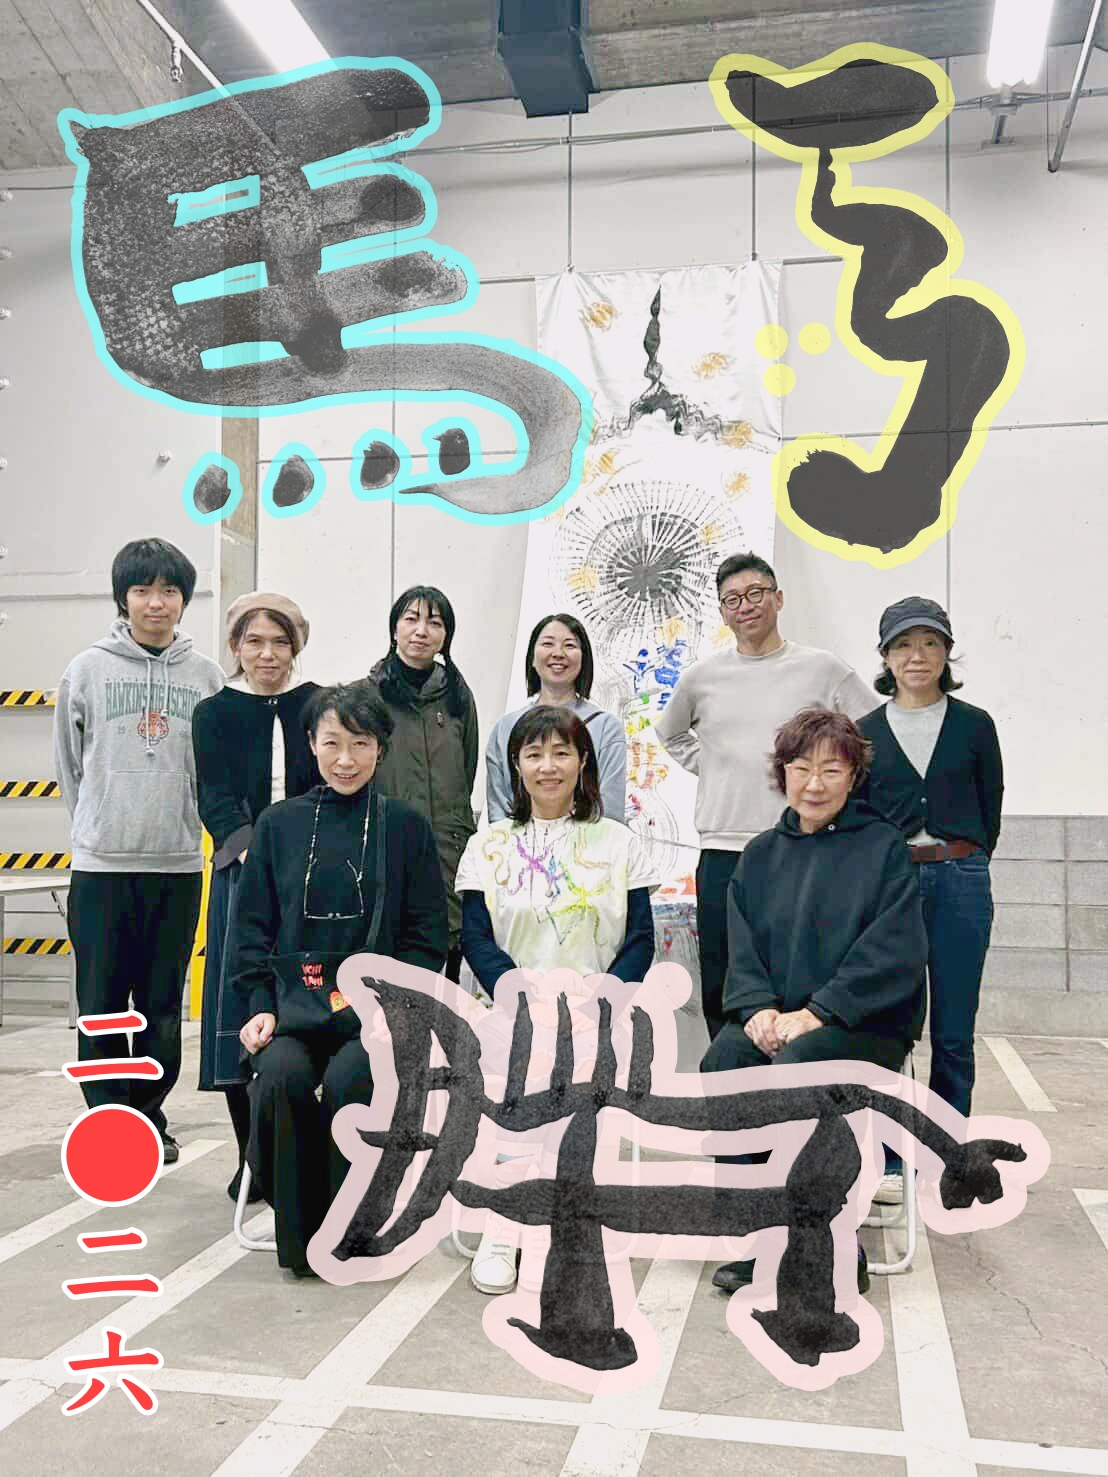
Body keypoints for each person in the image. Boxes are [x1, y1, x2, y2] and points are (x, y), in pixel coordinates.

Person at [225, 681, 449, 1276]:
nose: (345, 759)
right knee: (280, 1077)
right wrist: (258, 1005)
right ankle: (301, 1238)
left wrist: (396, 1010)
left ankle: (351, 1228)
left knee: (355, 1078)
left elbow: (427, 937)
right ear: (311, 745)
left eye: (360, 743)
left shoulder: (406, 828)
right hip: (293, 1012)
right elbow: (250, 931)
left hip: (376, 1017)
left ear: (381, 748)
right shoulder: (278, 825)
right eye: (332, 743)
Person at [701, 707, 927, 1295]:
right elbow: (741, 946)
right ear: (782, 774)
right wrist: (756, 1008)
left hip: (862, 1021)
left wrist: (819, 1012)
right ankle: (765, 1234)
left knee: (801, 1071)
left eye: (832, 769)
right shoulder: (760, 854)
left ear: (854, 776)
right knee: (725, 1063)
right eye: (801, 768)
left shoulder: (882, 848)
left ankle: (832, 1241)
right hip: (779, 1017)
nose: (815, 783)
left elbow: (892, 951)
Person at [458, 705, 657, 1295]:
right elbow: (476, 938)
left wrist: (601, 1002)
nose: (548, 766)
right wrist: (522, 997)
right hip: (513, 1009)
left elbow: (640, 940)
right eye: (534, 754)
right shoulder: (488, 844)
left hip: (597, 1009)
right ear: (515, 766)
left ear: (583, 761)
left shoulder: (618, 842)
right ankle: (505, 1230)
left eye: (561, 753)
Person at [654, 552, 874, 1042]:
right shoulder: (702, 677)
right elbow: (670, 734)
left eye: (755, 593)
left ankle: (796, 1070)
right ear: (722, 612)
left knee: (801, 971)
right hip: (723, 849)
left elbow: (869, 734)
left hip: (804, 846)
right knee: (724, 975)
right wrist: (712, 765)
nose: (745, 606)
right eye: (732, 599)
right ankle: (729, 1074)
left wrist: (833, 790)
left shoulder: (822, 669)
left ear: (778, 598)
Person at [54, 537, 225, 1162]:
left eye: (169, 590)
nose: (156, 602)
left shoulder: (206, 677)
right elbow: (70, 766)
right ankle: (108, 1122)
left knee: (160, 1005)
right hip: (101, 868)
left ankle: (150, 1118)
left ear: (184, 599)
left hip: (176, 866)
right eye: (143, 590)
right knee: (101, 1004)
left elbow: (213, 770)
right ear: (122, 598)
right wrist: (99, 826)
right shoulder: (86, 670)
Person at [857, 597, 1002, 1203]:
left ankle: (948, 1156)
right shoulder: (865, 732)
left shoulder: (974, 725)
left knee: (954, 1030)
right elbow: (858, 817)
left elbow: (990, 810)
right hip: (891, 887)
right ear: (886, 657)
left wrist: (963, 860)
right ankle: (892, 1160)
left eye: (930, 643)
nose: (917, 656)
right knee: (891, 1026)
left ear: (946, 653)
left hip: (961, 879)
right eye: (904, 645)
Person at [191, 592, 319, 1204]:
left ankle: (294, 1151)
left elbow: (328, 781)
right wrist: (253, 851)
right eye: (254, 642)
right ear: (235, 647)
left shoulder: (316, 704)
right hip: (242, 876)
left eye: (280, 642)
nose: (267, 654)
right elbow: (213, 796)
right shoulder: (214, 712)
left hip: (309, 876)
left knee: (301, 1006)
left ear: (296, 646)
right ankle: (251, 1157)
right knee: (238, 1007)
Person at [366, 585, 479, 982]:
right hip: (386, 843)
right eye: (411, 619)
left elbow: (466, 769)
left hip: (448, 846)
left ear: (446, 635)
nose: (421, 630)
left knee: (446, 958)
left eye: (434, 622)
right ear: (394, 628)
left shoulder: (457, 695)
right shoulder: (368, 695)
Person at [486, 613, 626, 824]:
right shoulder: (506, 727)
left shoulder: (606, 727)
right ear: (532, 658)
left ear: (584, 658)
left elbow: (609, 813)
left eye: (569, 645)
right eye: (548, 644)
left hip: (590, 842)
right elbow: (499, 810)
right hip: (519, 843)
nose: (558, 653)